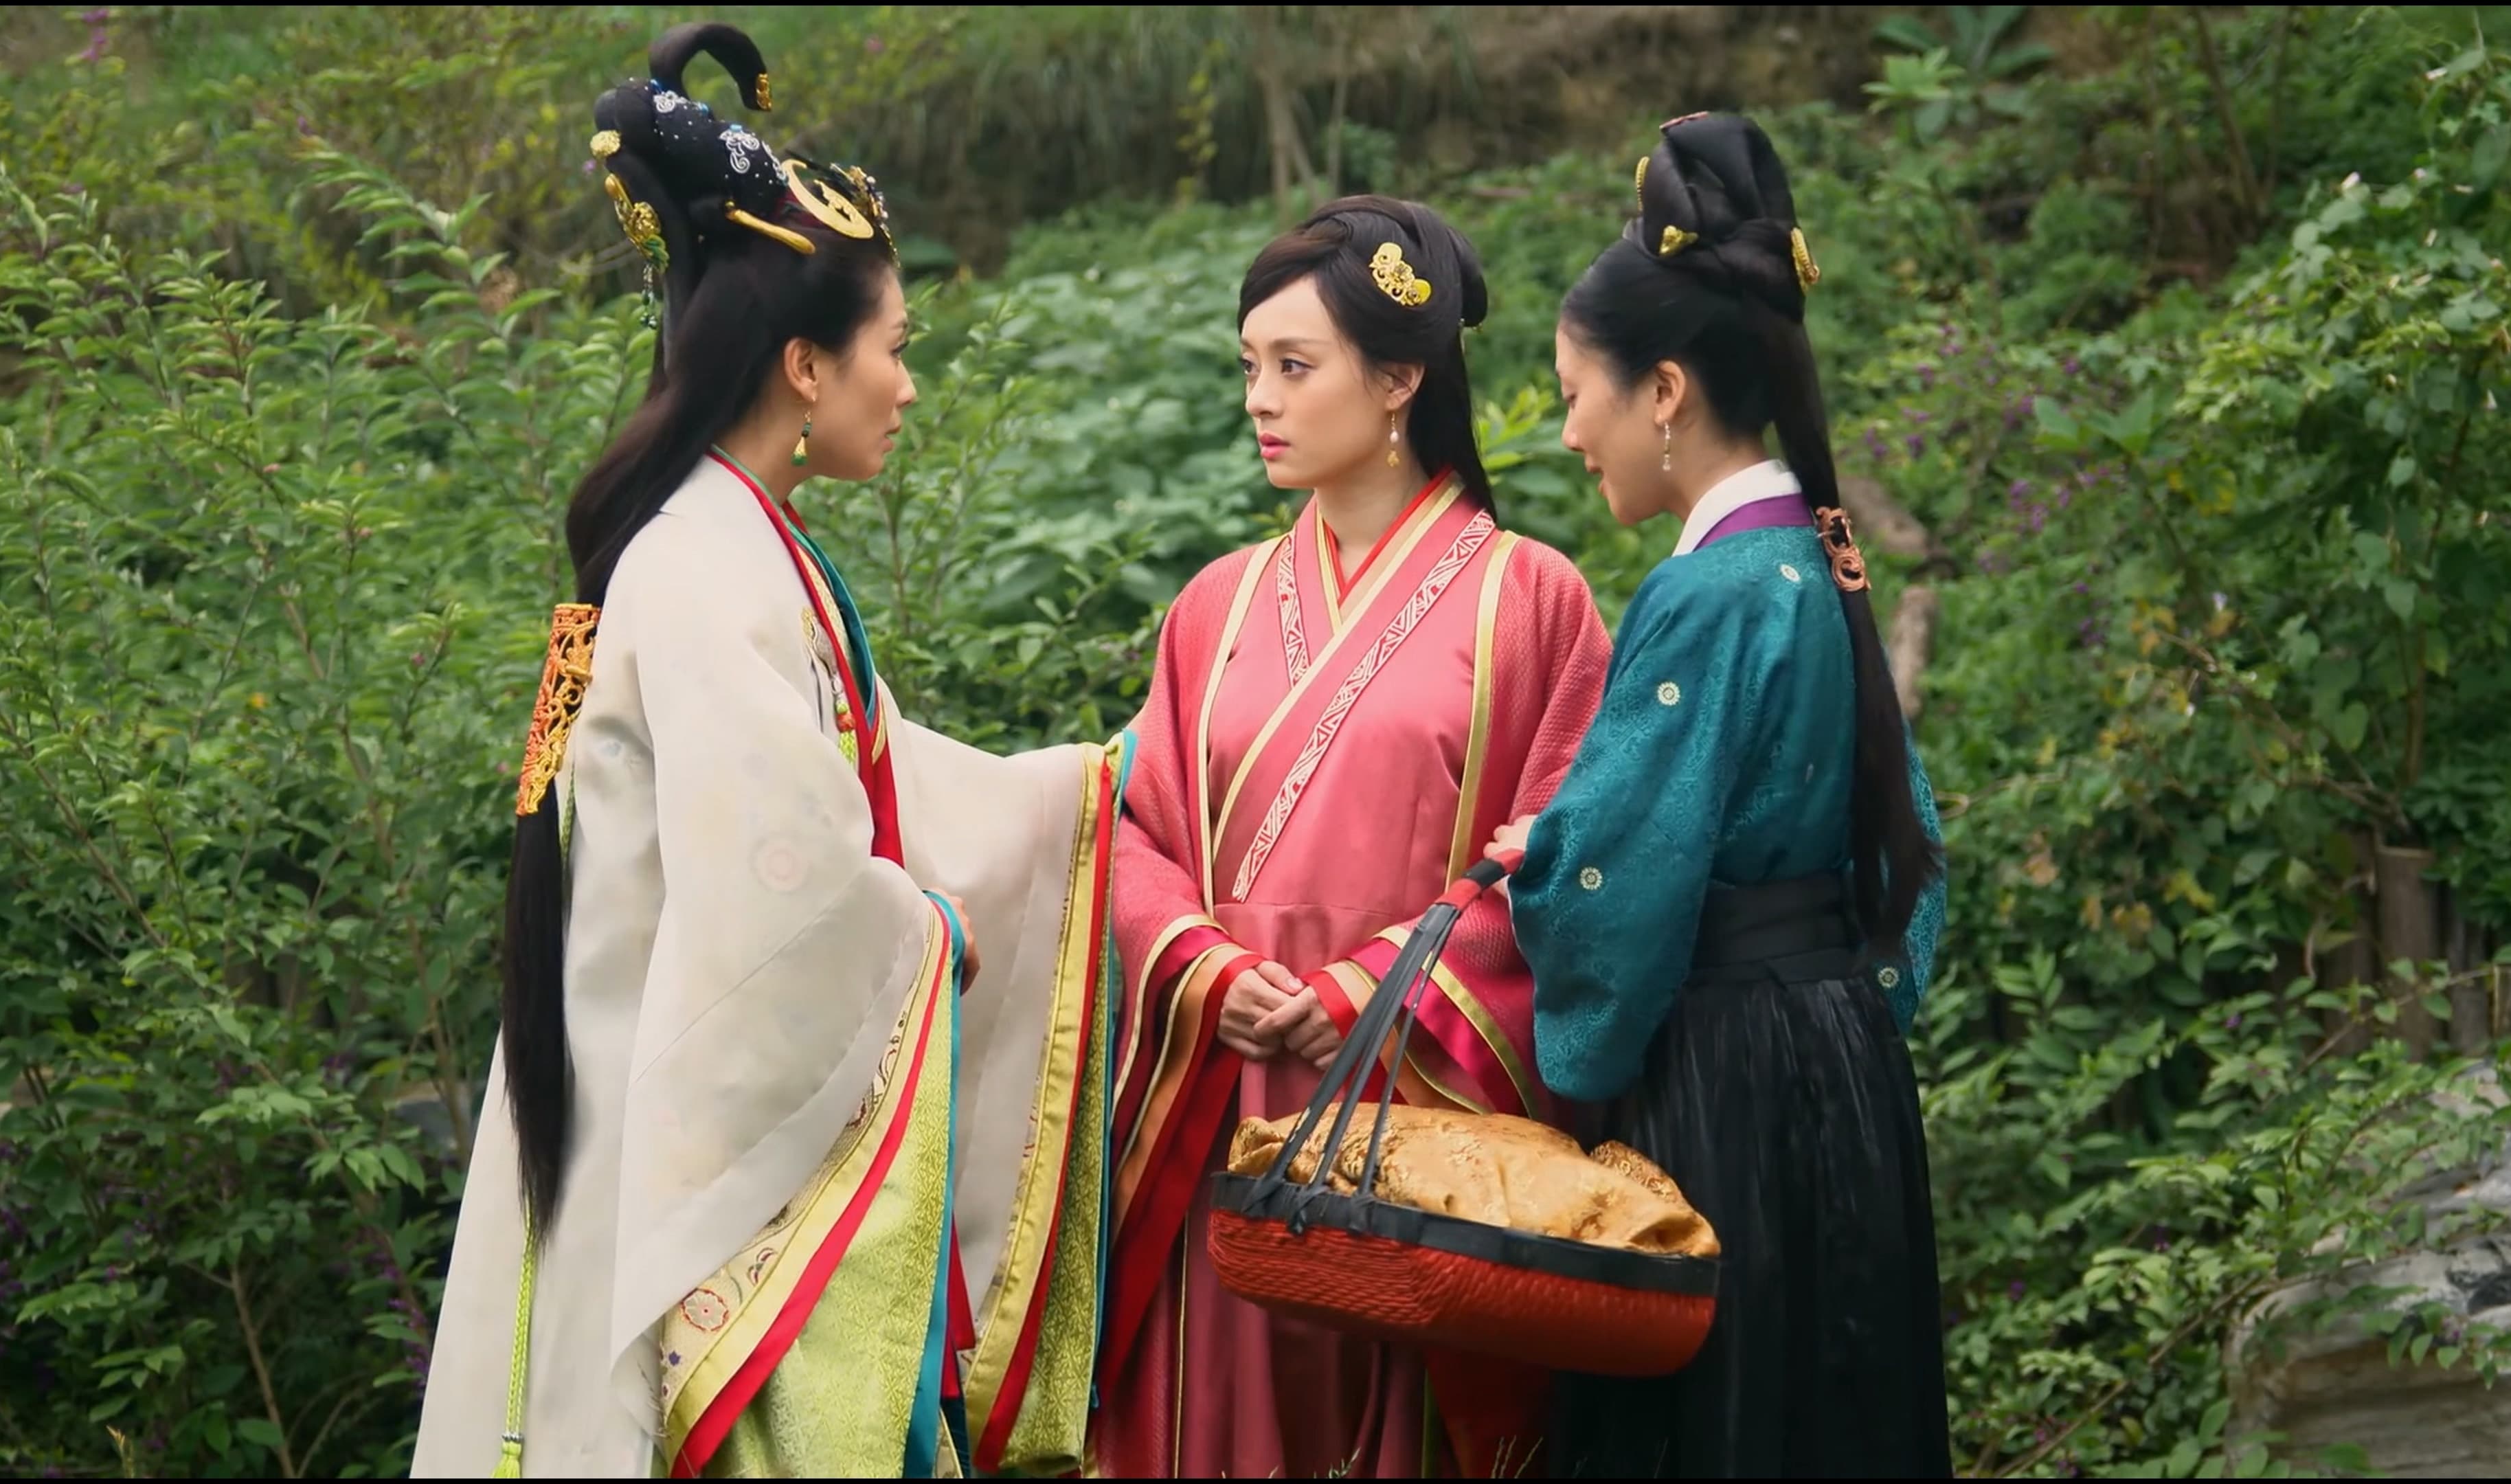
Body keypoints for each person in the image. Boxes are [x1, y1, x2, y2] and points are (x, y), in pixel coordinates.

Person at [412, 25, 1128, 1479]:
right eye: (894, 349)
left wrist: (1088, 794)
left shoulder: (726, 543)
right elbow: (783, 884)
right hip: (669, 1136)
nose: (907, 386)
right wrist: (928, 928)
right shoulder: (703, 564)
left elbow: (872, 784)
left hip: (661, 1100)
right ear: (807, 364)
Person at [1090, 196, 1614, 1480]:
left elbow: (1557, 862)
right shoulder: (1213, 606)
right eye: (1249, 368)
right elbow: (1131, 831)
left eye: (1293, 366)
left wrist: (1372, 989)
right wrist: (1203, 966)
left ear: (1398, 380)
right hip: (1224, 1081)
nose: (1260, 401)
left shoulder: (1530, 598)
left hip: (1406, 1088)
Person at [1488, 112, 1952, 1477]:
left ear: (1666, 392)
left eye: (1577, 392)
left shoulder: (1708, 591)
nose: (1571, 431)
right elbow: (1907, 844)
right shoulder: (1819, 558)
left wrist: (1547, 855)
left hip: (1730, 1078)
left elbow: (1618, 882)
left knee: (1721, 1428)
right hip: (1843, 1064)